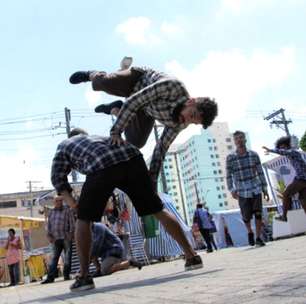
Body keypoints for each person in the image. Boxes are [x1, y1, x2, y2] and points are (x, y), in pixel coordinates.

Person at [51, 128, 203, 292]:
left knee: (83, 219)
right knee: (157, 209)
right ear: (85, 135)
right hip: (132, 157)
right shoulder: (98, 136)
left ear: (70, 137)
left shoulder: (64, 145)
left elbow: (57, 177)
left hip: (101, 164)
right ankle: (192, 256)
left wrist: (73, 204)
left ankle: (84, 277)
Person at [69, 66, 218, 191]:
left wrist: (151, 182)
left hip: (145, 111)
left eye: (193, 123)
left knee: (136, 142)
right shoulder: (173, 87)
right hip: (137, 82)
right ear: (190, 101)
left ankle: (116, 109)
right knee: (104, 83)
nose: (187, 121)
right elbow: (135, 101)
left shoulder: (180, 123)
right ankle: (92, 74)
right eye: (191, 115)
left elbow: (161, 148)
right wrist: (116, 131)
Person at [226, 131, 269, 247]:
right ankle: (250, 231)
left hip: (255, 187)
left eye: (241, 138)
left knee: (258, 213)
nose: (239, 140)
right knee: (246, 216)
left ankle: (258, 237)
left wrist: (264, 188)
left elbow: (260, 171)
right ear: (234, 142)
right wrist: (232, 189)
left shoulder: (254, 155)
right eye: (237, 139)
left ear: (245, 139)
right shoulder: (230, 158)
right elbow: (228, 175)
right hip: (241, 190)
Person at [263, 136, 306, 221]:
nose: (282, 150)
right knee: (303, 201)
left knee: (286, 194)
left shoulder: (294, 152)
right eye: (280, 148)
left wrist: (271, 150)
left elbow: (284, 152)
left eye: (283, 148)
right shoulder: (292, 154)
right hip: (301, 179)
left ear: (287, 146)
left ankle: (285, 216)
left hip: (302, 179)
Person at [41, 195, 75, 284]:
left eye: (60, 201)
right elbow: (49, 225)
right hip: (55, 239)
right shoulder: (51, 212)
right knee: (54, 258)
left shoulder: (67, 211)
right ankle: (50, 278)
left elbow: (72, 223)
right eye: (57, 201)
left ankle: (66, 275)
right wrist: (49, 235)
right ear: (54, 202)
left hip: (65, 238)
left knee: (67, 258)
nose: (59, 202)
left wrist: (71, 234)